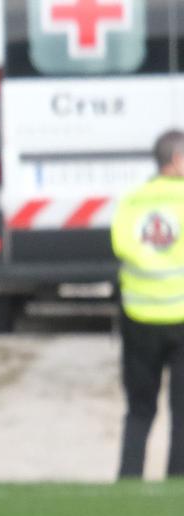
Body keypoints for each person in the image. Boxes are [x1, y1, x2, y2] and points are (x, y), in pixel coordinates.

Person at [111, 128, 184, 480]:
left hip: (139, 316)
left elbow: (122, 246)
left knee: (139, 409)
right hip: (181, 316)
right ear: (177, 160)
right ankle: (178, 483)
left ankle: (128, 479)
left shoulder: (133, 201)